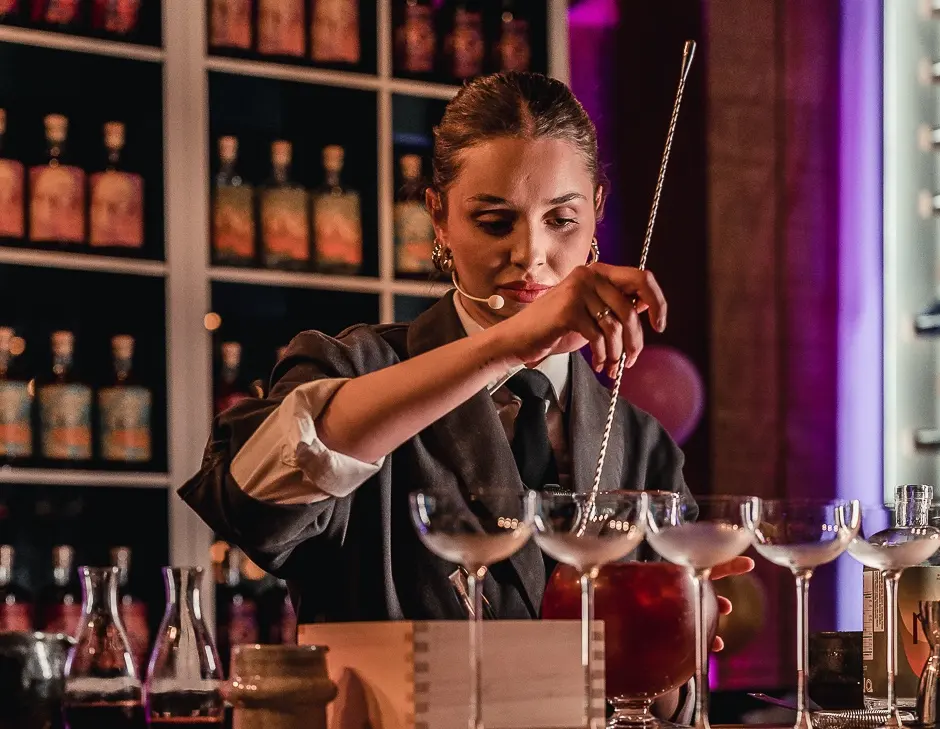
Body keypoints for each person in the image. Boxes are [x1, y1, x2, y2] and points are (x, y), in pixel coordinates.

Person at [179, 71, 752, 720]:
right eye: (493, 220)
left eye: (561, 219)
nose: (530, 254)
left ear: (596, 208)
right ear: (439, 218)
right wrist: (504, 346)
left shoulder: (640, 444)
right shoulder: (354, 368)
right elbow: (252, 497)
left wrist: (671, 650)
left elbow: (662, 704)